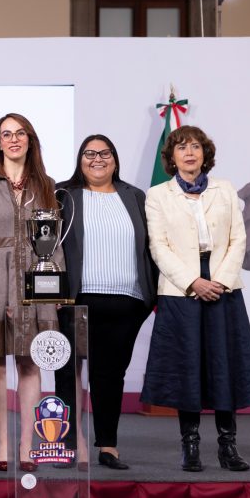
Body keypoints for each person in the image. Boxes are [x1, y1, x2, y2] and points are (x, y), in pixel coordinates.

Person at [141, 125, 250, 471]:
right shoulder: (158, 194)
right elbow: (158, 247)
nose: (189, 152)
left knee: (224, 363)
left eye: (196, 146)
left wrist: (220, 280)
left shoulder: (224, 189)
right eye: (182, 147)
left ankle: (228, 446)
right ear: (172, 157)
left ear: (205, 154)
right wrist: (193, 282)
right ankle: (191, 445)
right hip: (181, 289)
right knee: (187, 365)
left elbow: (238, 239)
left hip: (223, 286)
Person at [0, 113, 60, 473]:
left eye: (20, 133)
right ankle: (3, 445)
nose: (13, 139)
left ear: (30, 140)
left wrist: (57, 288)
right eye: (6, 134)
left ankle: (26, 446)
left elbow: (54, 242)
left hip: (35, 281)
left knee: (30, 363)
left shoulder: (46, 184)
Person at [56, 135, 156, 470]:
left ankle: (108, 446)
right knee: (67, 373)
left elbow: (149, 246)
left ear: (115, 159)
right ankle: (67, 444)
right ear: (79, 159)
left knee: (110, 376)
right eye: (89, 153)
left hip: (128, 301)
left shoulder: (134, 196)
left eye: (105, 153)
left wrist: (148, 299)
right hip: (76, 299)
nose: (97, 159)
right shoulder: (63, 195)